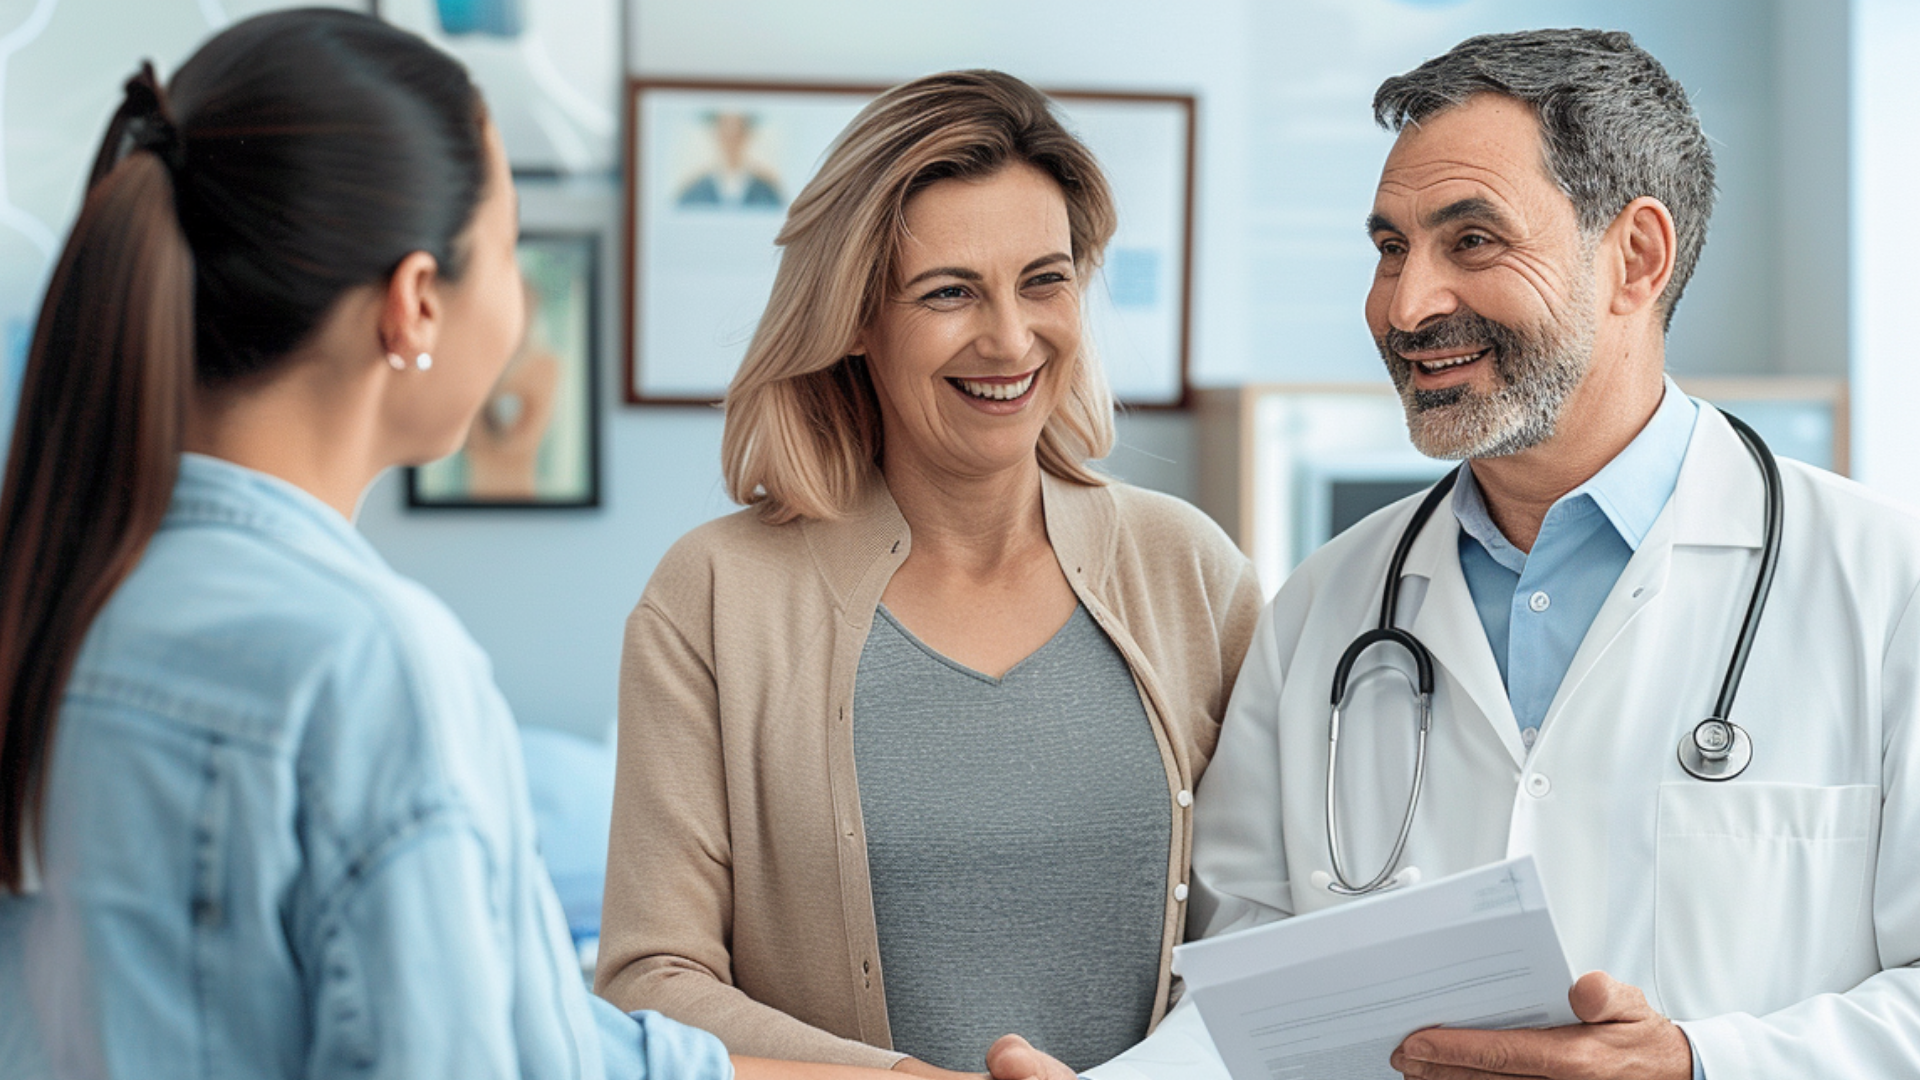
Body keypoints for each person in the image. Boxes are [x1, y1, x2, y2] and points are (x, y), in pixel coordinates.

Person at [0, 15, 1067, 1080]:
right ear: (416, 304)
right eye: (507, 250)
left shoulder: (63, 601)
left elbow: (545, 1046)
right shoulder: (367, 667)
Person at [1089, 28, 1920, 1080]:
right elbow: (1249, 996)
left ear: (1636, 258)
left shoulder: (1888, 591)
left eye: (1471, 241)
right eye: (1391, 247)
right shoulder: (1325, 608)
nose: (1405, 304)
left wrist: (1698, 1064)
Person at [596, 70, 1263, 1080]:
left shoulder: (1191, 573)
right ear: (858, 319)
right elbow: (649, 981)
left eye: (1045, 280)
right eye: (949, 292)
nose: (1009, 337)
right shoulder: (715, 597)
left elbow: (1267, 935)